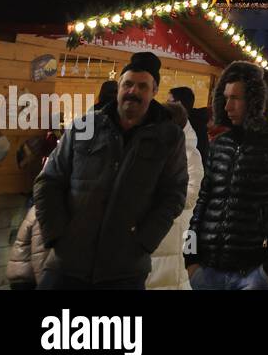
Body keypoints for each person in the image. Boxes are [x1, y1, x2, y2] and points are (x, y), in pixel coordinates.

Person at [33, 52, 187, 290]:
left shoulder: (168, 137)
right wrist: (57, 235)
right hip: (67, 264)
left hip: (124, 270)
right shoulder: (84, 126)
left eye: (142, 86)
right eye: (128, 84)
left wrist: (144, 241)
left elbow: (174, 195)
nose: (133, 92)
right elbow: (49, 181)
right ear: (118, 88)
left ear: (154, 91)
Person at [185, 61, 268, 290]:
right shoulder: (221, 144)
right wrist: (190, 258)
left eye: (235, 98)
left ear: (257, 102)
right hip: (206, 271)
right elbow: (202, 203)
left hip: (252, 274)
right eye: (225, 97)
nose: (227, 106)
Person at [146, 99, 204, 289]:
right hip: (155, 229)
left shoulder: (190, 154)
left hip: (175, 231)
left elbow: (190, 196)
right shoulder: (155, 148)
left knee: (169, 279)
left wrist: (157, 195)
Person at [6, 205, 47, 289]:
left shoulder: (40, 209)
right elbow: (39, 254)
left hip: (23, 275)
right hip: (26, 279)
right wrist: (44, 285)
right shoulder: (43, 212)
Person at [170, 85, 210, 169]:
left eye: (170, 101)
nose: (167, 105)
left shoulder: (188, 126)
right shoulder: (198, 122)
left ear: (178, 104)